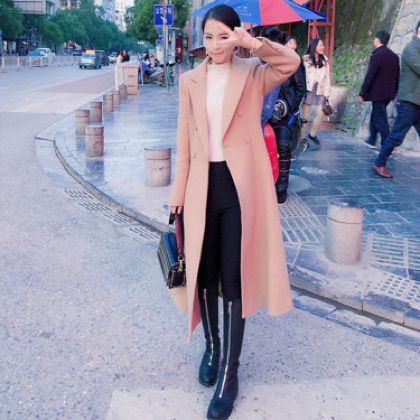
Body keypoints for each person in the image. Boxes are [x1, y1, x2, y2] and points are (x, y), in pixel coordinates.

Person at [169, 5, 299, 419]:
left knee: (233, 277)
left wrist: (252, 43)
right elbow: (185, 140)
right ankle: (212, 347)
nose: (215, 45)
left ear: (235, 36)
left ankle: (230, 371)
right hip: (200, 187)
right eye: (208, 37)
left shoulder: (253, 73)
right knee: (204, 276)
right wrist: (177, 193)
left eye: (223, 36)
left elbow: (290, 63)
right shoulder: (190, 80)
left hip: (238, 189)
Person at [261, 29, 306, 205]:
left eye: (272, 43)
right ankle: (263, 186)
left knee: (283, 147)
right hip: (261, 114)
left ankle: (281, 189)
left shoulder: (291, 62)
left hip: (283, 116)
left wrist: (286, 105)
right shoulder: (258, 63)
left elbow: (300, 89)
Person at [373, 21, 420, 178]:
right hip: (409, 103)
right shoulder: (411, 49)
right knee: (396, 137)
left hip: (417, 102)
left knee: (396, 136)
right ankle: (379, 163)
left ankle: (379, 162)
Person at [358, 30, 400, 149]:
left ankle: (387, 144)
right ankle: (371, 139)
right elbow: (397, 76)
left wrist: (362, 93)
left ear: (377, 40)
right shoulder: (394, 56)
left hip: (378, 93)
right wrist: (395, 92)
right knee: (376, 114)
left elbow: (370, 75)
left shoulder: (377, 55)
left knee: (380, 118)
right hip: (389, 93)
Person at [301, 38, 331, 146]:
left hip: (320, 89)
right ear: (314, 47)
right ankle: (301, 138)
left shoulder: (324, 61)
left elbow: (327, 78)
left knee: (321, 113)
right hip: (308, 89)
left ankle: (312, 134)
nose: (323, 47)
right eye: (320, 45)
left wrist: (327, 93)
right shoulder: (305, 60)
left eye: (323, 45)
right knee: (305, 116)